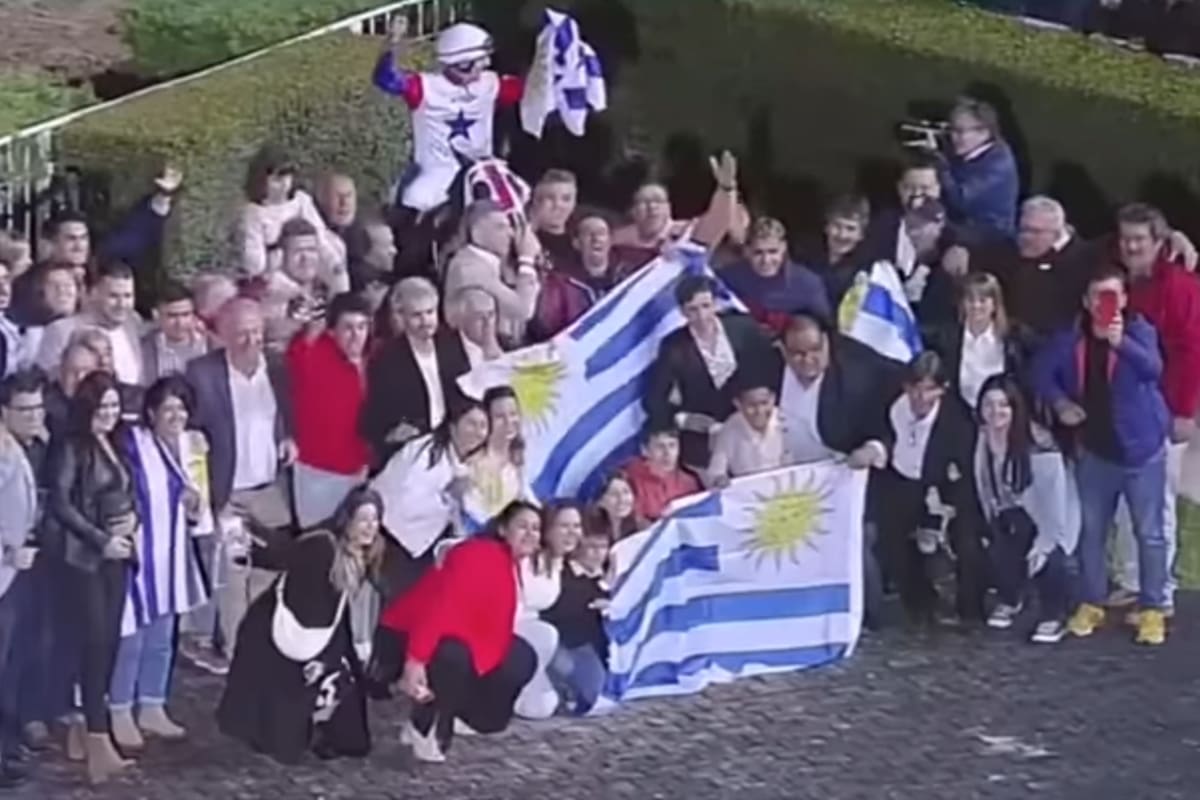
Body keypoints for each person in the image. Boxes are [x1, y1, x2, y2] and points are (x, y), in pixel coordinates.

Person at [1032, 267, 1171, 645]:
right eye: (1097, 296)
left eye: (1111, 296)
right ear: (1086, 300)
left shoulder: (1139, 330)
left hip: (1141, 451)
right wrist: (1060, 403)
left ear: (1124, 300)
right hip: (1095, 451)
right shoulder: (1071, 336)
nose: (1102, 304)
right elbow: (1041, 373)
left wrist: (1120, 342)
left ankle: (1153, 607)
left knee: (1149, 533)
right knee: (1092, 532)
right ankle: (1092, 601)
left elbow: (1153, 370)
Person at [217, 487, 384, 764]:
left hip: (321, 629)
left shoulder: (364, 553)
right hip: (280, 629)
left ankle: (328, 733)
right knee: (284, 717)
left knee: (345, 684)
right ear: (348, 519)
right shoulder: (323, 547)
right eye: (364, 518)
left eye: (375, 520)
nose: (370, 527)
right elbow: (288, 559)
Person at [376, 500, 539, 763]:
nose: (531, 534)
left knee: (520, 657)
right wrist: (415, 660)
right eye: (523, 526)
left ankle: (468, 714)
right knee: (453, 656)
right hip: (411, 634)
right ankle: (427, 723)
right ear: (502, 529)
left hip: (454, 638)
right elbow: (441, 608)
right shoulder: (479, 554)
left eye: (536, 528)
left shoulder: (509, 560)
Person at [184, 298, 295, 672]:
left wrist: (289, 437)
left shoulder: (278, 368)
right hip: (229, 494)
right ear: (222, 336)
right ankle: (237, 652)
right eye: (240, 333)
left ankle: (266, 643)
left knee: (271, 571)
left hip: (270, 492)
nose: (250, 341)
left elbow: (287, 413)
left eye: (256, 332)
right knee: (233, 574)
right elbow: (192, 429)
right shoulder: (202, 374)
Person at [108, 376, 211, 752]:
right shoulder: (134, 445)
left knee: (162, 635)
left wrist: (194, 504)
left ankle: (152, 702)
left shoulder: (187, 447)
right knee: (131, 636)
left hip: (171, 555)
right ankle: (119, 707)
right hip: (140, 554)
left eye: (181, 407)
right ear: (150, 413)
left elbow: (195, 500)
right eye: (167, 408)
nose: (175, 415)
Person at [46, 371, 138, 784]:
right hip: (84, 558)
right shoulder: (71, 446)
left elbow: (121, 492)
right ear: (87, 408)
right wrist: (102, 540)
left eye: (115, 407)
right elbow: (63, 505)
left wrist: (130, 525)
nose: (110, 415)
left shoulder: (114, 442)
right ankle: (97, 735)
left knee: (109, 642)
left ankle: (85, 729)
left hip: (115, 554)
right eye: (102, 408)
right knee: (96, 642)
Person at [1109, 203, 1200, 616]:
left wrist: (1183, 411)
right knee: (1133, 498)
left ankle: (1158, 590)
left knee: (1157, 502)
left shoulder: (1179, 285)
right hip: (1130, 407)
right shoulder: (1126, 277)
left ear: (1158, 243)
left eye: (1139, 240)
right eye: (1125, 238)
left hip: (1164, 408)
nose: (1130, 246)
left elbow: (1191, 350)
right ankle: (1132, 579)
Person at [869, 352, 984, 627]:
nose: (921, 398)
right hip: (902, 481)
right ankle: (919, 601)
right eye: (915, 389)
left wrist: (945, 505)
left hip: (947, 487)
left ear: (942, 390)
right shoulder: (892, 408)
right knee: (891, 538)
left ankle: (970, 608)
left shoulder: (957, 421)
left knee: (967, 541)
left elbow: (963, 469)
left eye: (929, 390)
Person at [373, 16, 523, 214]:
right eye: (480, 60)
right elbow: (386, 79)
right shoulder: (424, 86)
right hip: (436, 170)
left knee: (516, 198)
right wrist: (392, 43)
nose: (486, 63)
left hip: (483, 169)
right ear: (462, 62)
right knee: (415, 198)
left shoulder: (492, 84)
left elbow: (533, 91)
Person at [972, 372, 1078, 643]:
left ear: (1015, 408)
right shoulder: (982, 439)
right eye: (989, 404)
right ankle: (1011, 596)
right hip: (1008, 514)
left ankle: (1054, 615)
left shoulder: (1041, 448)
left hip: (1047, 519)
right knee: (999, 545)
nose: (995, 412)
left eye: (1003, 405)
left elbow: (1055, 510)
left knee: (1050, 559)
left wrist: (1042, 547)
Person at [645, 275, 774, 469]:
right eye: (693, 310)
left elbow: (769, 370)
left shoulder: (743, 327)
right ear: (682, 312)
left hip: (755, 427)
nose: (702, 316)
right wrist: (685, 419)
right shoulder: (674, 346)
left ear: (715, 303)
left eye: (706, 306)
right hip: (706, 441)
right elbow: (655, 399)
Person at [370, 399, 490, 603]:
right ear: (453, 425)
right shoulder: (427, 450)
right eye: (471, 423)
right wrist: (448, 496)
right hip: (386, 539)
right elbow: (407, 502)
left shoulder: (465, 466)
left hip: (412, 550)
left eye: (483, 426)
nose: (477, 432)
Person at [360, 278, 471, 466]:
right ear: (401, 317)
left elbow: (466, 388)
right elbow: (375, 414)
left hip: (453, 445)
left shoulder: (452, 343)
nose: (425, 321)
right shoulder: (387, 358)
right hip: (410, 454)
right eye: (417, 315)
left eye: (430, 312)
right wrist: (392, 432)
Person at [287, 293, 372, 528]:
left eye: (362, 327)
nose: (356, 335)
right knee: (320, 544)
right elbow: (298, 351)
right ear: (332, 331)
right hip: (319, 472)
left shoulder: (373, 359)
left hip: (360, 470)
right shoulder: (313, 354)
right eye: (348, 328)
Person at [0, 371, 40, 789]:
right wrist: (8, 551)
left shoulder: (16, 446)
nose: (34, 417)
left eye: (37, 408)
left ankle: (7, 750)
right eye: (25, 410)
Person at [238, 145, 346, 296]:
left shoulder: (301, 201)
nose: (283, 185)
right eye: (277, 180)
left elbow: (320, 234)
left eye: (287, 178)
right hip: (277, 268)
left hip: (308, 259)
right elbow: (253, 256)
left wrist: (334, 264)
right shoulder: (254, 213)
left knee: (337, 265)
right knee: (283, 288)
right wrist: (266, 266)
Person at [611, 152, 747, 271]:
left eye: (658, 201)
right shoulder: (618, 238)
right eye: (644, 202)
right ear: (632, 211)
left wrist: (726, 189)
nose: (652, 207)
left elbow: (718, 221)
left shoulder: (686, 232)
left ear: (669, 208)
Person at [513, 504, 583, 720]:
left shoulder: (559, 561)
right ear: (548, 529)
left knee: (547, 704)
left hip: (533, 633)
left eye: (576, 526)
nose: (572, 532)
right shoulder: (528, 559)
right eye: (564, 526)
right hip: (510, 629)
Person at [442, 200, 542, 348]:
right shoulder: (467, 267)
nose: (511, 234)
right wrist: (526, 259)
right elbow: (522, 309)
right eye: (500, 227)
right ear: (477, 234)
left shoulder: (497, 264)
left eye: (510, 227)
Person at [922, 271, 1023, 412]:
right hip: (959, 414)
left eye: (982, 300)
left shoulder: (1013, 336)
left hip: (999, 414)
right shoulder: (945, 337)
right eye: (970, 300)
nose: (976, 306)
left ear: (994, 304)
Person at [36, 261, 145, 386]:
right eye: (113, 296)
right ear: (94, 294)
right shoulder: (61, 331)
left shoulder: (133, 325)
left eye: (128, 296)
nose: (122, 304)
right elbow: (47, 382)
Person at [542, 523, 610, 715]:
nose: (598, 553)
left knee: (593, 693)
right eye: (591, 547)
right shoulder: (564, 574)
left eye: (603, 547)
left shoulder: (606, 577)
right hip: (564, 643)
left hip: (589, 648)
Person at [721, 217, 831, 334]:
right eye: (758, 252)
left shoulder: (808, 284)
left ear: (784, 247)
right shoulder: (727, 279)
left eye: (773, 251)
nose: (766, 260)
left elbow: (824, 328)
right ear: (747, 250)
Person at [932, 97, 1020, 243]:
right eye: (952, 129)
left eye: (960, 131)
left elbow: (960, 199)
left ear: (984, 132)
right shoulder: (967, 151)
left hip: (990, 236)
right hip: (963, 226)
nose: (954, 137)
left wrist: (941, 167)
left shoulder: (998, 163)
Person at [462, 386, 530, 530]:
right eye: (500, 416)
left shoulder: (517, 459)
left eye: (513, 414)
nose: (508, 421)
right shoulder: (474, 465)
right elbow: (476, 516)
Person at [706, 372, 789, 486]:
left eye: (764, 403)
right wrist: (719, 480)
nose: (759, 411)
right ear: (738, 404)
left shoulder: (788, 422)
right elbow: (715, 473)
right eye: (752, 405)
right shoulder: (729, 430)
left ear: (773, 398)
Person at [797, 195, 873, 312]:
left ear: (861, 235)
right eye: (837, 226)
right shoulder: (804, 257)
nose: (842, 235)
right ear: (826, 227)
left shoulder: (869, 270)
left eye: (850, 229)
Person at [624, 424, 701, 525]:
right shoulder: (630, 478)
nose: (667, 453)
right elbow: (633, 521)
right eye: (660, 447)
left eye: (672, 445)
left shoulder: (689, 482)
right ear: (645, 451)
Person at [141, 280, 208, 380]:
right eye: (172, 316)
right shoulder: (143, 348)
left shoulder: (208, 347)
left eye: (185, 314)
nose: (180, 323)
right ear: (157, 315)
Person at [529, 169, 580, 269]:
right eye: (550, 198)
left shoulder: (580, 244)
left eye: (566, 199)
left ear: (574, 203)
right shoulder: (524, 241)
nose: (558, 205)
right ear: (536, 201)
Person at [449, 287, 504, 366]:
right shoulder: (447, 351)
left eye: (491, 314)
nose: (487, 323)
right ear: (462, 320)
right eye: (480, 317)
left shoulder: (507, 343)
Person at [587, 473, 639, 541]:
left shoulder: (642, 528)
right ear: (599, 501)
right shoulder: (588, 529)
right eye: (613, 494)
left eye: (626, 492)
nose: (622, 499)